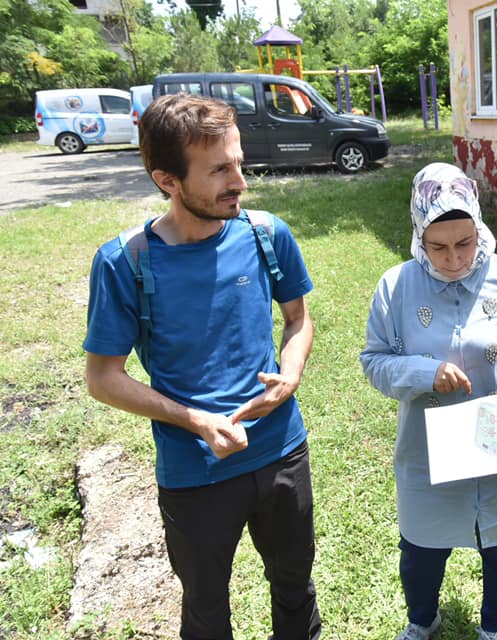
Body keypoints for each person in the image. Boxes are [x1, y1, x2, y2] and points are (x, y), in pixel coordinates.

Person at [83, 93, 322, 640]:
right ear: (167, 180)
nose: (239, 181)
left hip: (283, 449)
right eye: (219, 170)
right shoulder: (126, 261)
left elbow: (297, 322)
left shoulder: (266, 234)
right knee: (207, 611)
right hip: (195, 472)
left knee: (294, 588)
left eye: (238, 162)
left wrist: (291, 371)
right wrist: (195, 421)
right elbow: (104, 378)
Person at [360, 162, 497, 640]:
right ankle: (422, 619)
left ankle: (495, 627)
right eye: (438, 247)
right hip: (430, 451)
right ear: (418, 235)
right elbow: (374, 361)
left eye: (465, 243)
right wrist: (424, 373)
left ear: (479, 228)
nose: (453, 259)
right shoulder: (396, 287)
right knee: (421, 551)